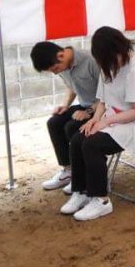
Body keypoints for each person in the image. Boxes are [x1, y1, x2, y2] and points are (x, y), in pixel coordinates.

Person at [61, 27, 135, 222]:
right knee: (79, 137)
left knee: (91, 144)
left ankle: (101, 200)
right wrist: (95, 120)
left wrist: (105, 121)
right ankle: (81, 190)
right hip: (114, 119)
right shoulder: (110, 66)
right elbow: (103, 101)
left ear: (119, 49)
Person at [30, 41, 102, 193]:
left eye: (55, 69)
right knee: (54, 122)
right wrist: (65, 105)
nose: (56, 73)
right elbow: (71, 86)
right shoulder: (62, 65)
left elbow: (108, 92)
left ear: (61, 55)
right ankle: (68, 171)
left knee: (71, 127)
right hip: (85, 105)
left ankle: (82, 176)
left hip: (102, 108)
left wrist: (89, 112)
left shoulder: (90, 61)